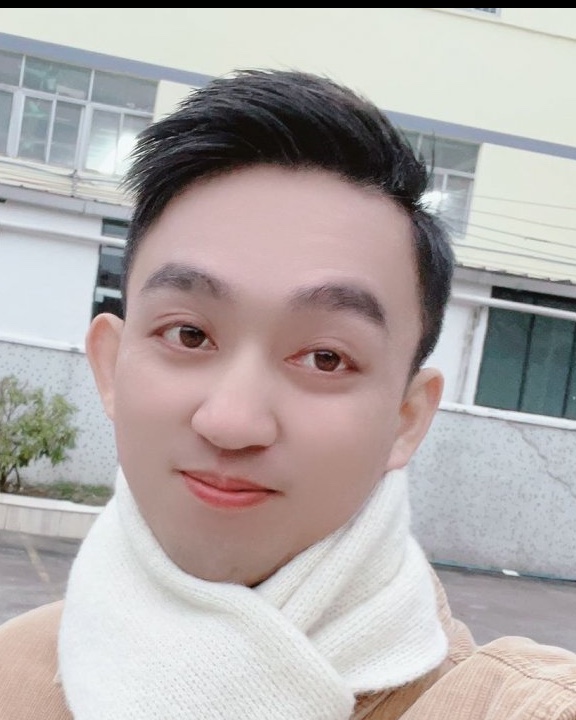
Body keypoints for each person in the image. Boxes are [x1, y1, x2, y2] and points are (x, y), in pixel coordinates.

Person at [0, 68, 575, 720]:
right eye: (189, 334)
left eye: (326, 358)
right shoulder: (13, 675)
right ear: (110, 366)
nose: (231, 421)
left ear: (407, 419)